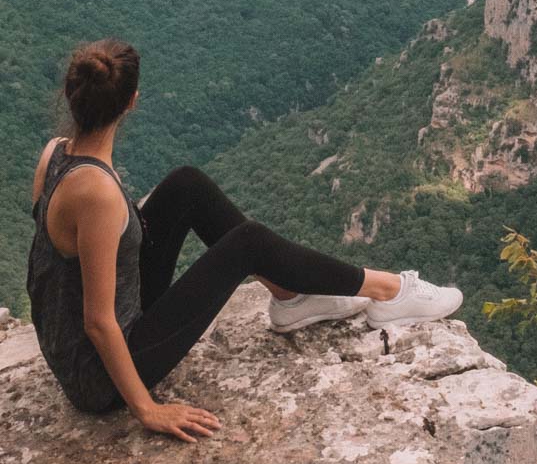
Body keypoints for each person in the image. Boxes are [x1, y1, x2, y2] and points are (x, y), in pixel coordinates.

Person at [26, 39, 463, 442]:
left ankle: (289, 297)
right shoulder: (97, 193)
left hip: (84, 343)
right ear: (132, 103)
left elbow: (55, 274)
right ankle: (387, 290)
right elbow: (98, 321)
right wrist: (148, 409)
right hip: (98, 377)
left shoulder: (56, 154)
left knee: (186, 184)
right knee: (247, 242)